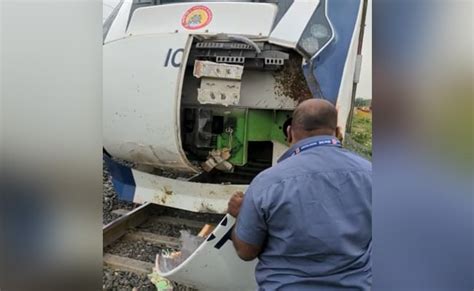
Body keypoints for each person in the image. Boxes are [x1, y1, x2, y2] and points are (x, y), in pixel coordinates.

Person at [227, 99, 372, 290]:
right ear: (337, 132)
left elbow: (245, 251)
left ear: (289, 133)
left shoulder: (267, 182)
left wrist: (241, 216)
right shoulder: (371, 174)